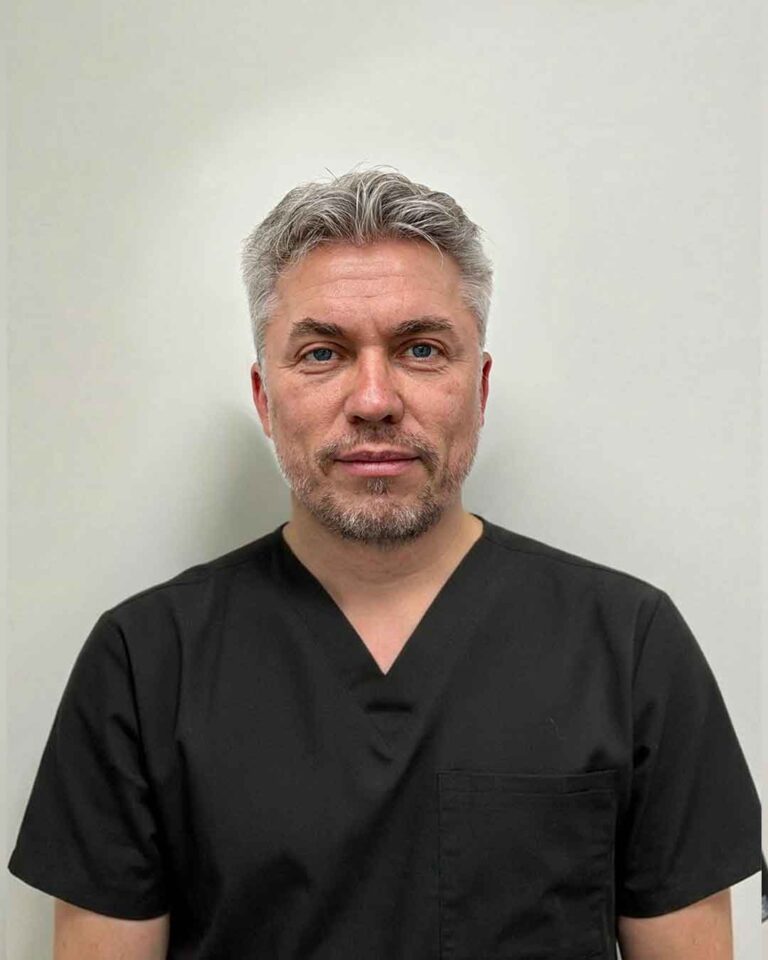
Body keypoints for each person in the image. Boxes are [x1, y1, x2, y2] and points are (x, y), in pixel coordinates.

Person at [8, 168, 760, 959]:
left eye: (421, 349)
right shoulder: (145, 662)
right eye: (323, 353)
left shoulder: (628, 647)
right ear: (265, 399)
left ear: (479, 387)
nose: (374, 400)